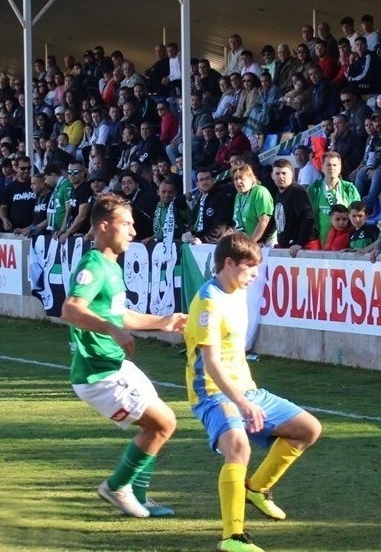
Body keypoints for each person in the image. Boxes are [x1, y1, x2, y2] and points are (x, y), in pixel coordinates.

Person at [184, 232, 323, 552]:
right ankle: (232, 537)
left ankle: (257, 489)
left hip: (244, 389)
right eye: (250, 268)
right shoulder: (208, 301)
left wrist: (246, 396)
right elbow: (212, 364)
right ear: (229, 264)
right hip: (212, 394)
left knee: (308, 429)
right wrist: (242, 403)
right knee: (238, 447)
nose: (255, 275)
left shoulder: (236, 291)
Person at [61, 194, 186, 519]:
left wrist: (163, 322)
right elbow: (71, 308)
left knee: (160, 424)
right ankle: (117, 487)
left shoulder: (111, 267)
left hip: (115, 365)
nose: (133, 231)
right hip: (98, 374)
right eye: (126, 224)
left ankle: (138, 496)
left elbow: (120, 315)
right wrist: (111, 330)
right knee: (163, 424)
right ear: (104, 226)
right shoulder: (94, 265)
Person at [308, 151, 362, 244]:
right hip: (320, 244)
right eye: (328, 165)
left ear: (340, 167)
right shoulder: (314, 189)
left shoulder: (349, 189)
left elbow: (358, 215)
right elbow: (307, 216)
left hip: (344, 245)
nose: (332, 168)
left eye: (335, 165)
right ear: (322, 167)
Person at [269, 158, 316, 256]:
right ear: (272, 176)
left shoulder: (297, 191)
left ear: (291, 174)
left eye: (284, 173)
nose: (281, 176)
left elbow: (308, 217)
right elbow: (275, 219)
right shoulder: (278, 193)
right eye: (277, 173)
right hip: (288, 247)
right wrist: (263, 240)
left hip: (301, 248)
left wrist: (299, 243)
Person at [188, 167, 235, 244]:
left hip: (215, 244)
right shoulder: (199, 200)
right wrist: (191, 235)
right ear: (197, 184)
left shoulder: (221, 196)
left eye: (207, 178)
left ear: (213, 180)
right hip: (201, 240)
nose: (204, 182)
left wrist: (203, 240)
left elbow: (220, 225)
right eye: (201, 180)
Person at [231, 164, 275, 245]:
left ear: (251, 178)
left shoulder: (259, 191)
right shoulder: (238, 196)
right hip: (248, 243)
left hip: (265, 242)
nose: (238, 182)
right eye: (235, 179)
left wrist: (252, 242)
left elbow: (264, 220)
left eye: (241, 178)